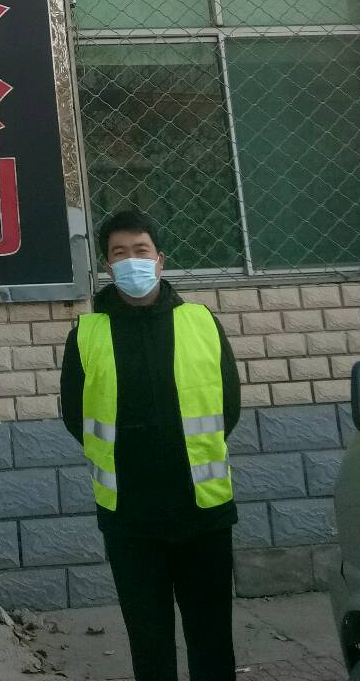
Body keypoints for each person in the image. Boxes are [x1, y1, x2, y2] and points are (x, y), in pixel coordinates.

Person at [60, 207, 241, 681]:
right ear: (107, 265)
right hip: (130, 519)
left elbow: (229, 407)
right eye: (119, 253)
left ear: (160, 260)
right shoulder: (86, 334)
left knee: (212, 643)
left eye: (141, 250)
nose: (131, 261)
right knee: (150, 645)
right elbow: (75, 417)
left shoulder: (201, 322)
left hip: (203, 512)